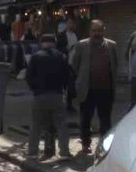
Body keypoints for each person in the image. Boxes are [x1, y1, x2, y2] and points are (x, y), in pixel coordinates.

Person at [71, 20, 117, 153]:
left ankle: (104, 145)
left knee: (106, 120)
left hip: (105, 89)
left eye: (99, 30)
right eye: (94, 30)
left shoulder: (112, 46)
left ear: (104, 30)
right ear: (90, 31)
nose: (97, 33)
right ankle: (86, 143)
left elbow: (114, 65)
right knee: (86, 118)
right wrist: (80, 80)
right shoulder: (81, 45)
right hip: (87, 89)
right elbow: (75, 65)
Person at [25, 34, 73, 160]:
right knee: (61, 125)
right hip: (57, 94)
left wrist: (34, 89)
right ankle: (64, 152)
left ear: (42, 43)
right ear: (54, 43)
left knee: (36, 125)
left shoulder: (35, 57)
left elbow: (28, 77)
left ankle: (32, 152)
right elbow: (67, 77)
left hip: (40, 95)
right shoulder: (62, 57)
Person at [56, 17, 79, 112]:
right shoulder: (61, 35)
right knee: (67, 84)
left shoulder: (76, 35)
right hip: (66, 63)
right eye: (69, 23)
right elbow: (58, 49)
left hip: (75, 63)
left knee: (72, 84)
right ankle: (63, 104)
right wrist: (66, 49)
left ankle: (69, 104)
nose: (71, 25)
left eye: (72, 23)